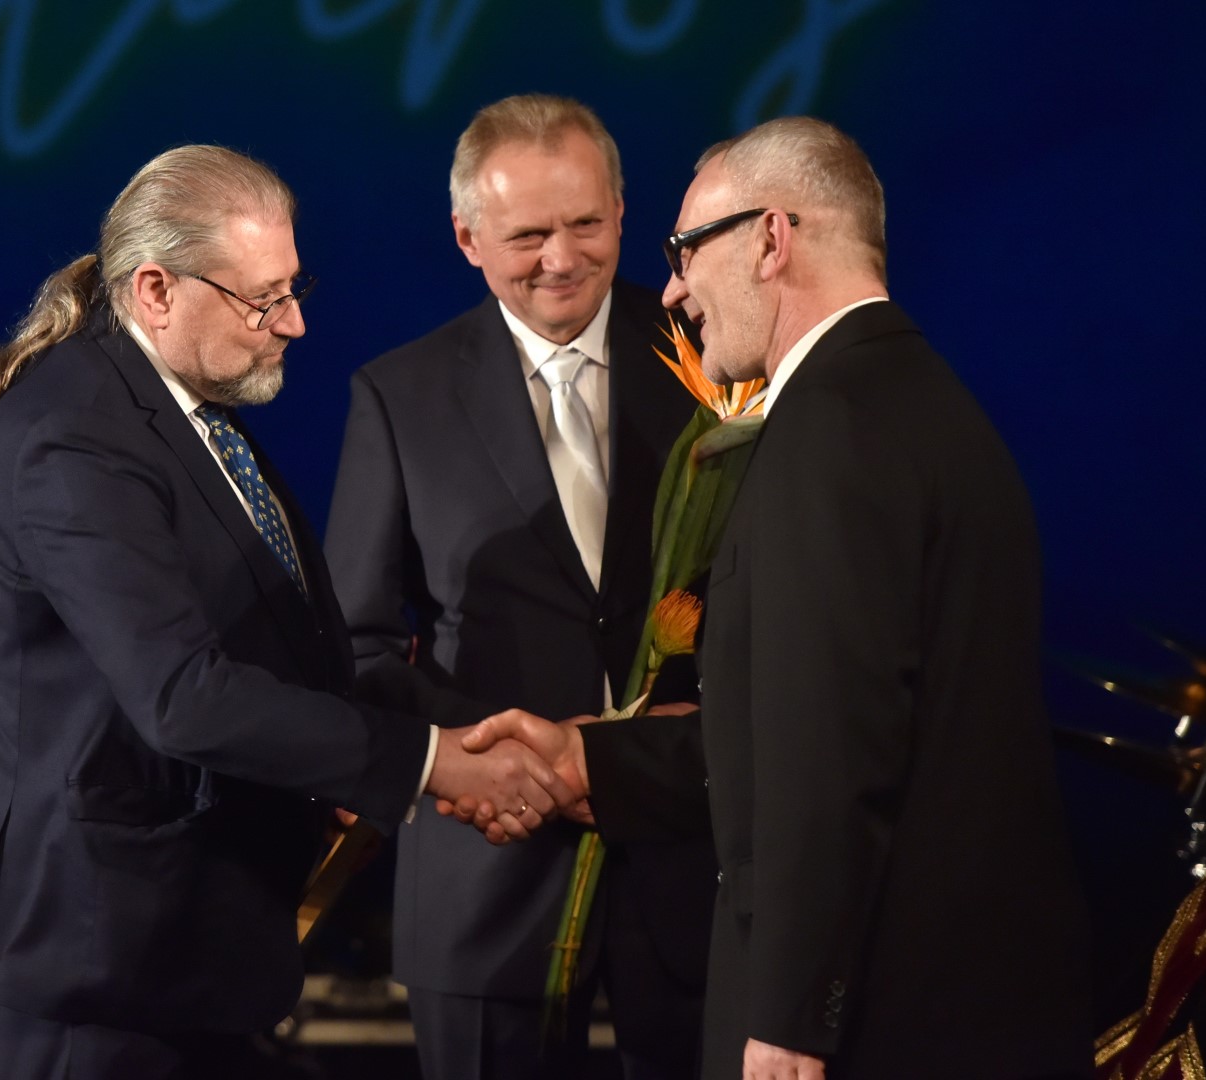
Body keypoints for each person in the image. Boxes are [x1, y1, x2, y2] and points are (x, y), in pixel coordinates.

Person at [462, 116, 1095, 1079]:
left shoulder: (828, 429)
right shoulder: (915, 399)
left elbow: (831, 750)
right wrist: (590, 758)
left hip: (871, 1020)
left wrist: (794, 1015)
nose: (673, 291)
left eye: (686, 250)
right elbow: (821, 726)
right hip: (952, 1000)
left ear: (770, 238)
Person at [0, 143, 573, 1079]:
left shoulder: (178, 405)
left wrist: (414, 750)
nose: (296, 323)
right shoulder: (71, 441)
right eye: (264, 300)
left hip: (186, 944)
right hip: (90, 952)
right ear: (155, 290)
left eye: (293, 288)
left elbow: (280, 644)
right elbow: (183, 696)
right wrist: (431, 764)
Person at [324, 93, 709, 1080]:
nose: (561, 259)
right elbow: (357, 644)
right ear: (467, 238)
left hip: (689, 867)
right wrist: (493, 763)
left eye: (585, 224)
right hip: (486, 866)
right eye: (528, 235)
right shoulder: (398, 395)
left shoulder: (714, 361)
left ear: (623, 211)